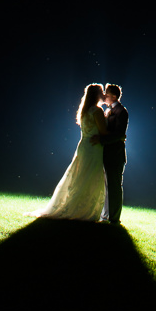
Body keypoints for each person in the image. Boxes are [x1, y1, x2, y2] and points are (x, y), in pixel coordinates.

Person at [27, 83, 108, 220]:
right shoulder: (97, 111)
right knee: (91, 176)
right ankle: (85, 209)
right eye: (102, 92)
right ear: (97, 95)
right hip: (94, 147)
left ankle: (76, 204)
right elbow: (104, 132)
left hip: (84, 146)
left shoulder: (85, 111)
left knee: (81, 175)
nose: (104, 95)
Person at [90, 82, 128, 225]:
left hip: (116, 154)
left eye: (106, 93)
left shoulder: (121, 111)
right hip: (107, 153)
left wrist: (101, 139)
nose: (104, 96)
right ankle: (106, 215)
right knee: (107, 186)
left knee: (114, 186)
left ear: (113, 96)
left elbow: (119, 133)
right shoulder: (109, 110)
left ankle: (114, 217)